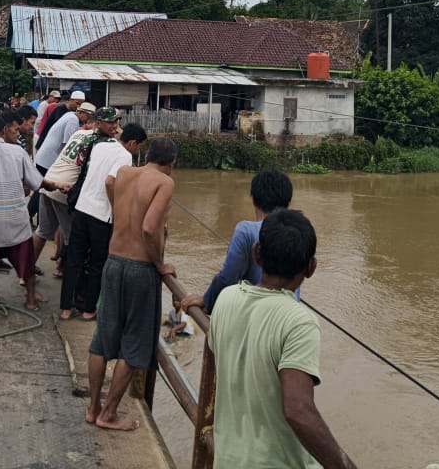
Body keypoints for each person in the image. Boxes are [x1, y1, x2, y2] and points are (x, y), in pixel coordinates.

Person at [207, 209, 358, 469]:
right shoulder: (299, 321)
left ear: (257, 253)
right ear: (311, 267)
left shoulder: (226, 298)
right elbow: (297, 410)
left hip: (227, 460)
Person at [84, 136, 177, 432]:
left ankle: (93, 408)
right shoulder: (164, 182)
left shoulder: (124, 173)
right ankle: (109, 413)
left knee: (103, 339)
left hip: (113, 262)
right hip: (140, 268)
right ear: (172, 163)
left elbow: (109, 185)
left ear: (147, 155)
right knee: (134, 342)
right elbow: (149, 228)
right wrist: (160, 265)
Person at [0, 114, 70, 310]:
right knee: (26, 260)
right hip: (17, 219)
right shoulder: (18, 152)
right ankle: (31, 300)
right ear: (3, 131)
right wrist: (55, 185)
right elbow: (36, 182)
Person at [60, 113, 147, 321]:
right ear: (133, 143)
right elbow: (110, 182)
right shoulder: (125, 157)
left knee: (74, 260)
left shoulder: (100, 146)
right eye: (139, 146)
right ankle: (88, 310)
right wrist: (116, 207)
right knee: (97, 264)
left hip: (82, 208)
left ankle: (66, 309)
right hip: (100, 216)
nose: (138, 151)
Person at [179, 168, 295, 315]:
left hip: (254, 317)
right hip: (288, 316)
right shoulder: (299, 232)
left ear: (253, 200)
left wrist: (207, 301)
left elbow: (228, 278)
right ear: (288, 202)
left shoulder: (246, 231)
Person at [34, 105, 104, 276]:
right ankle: (68, 275)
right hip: (64, 189)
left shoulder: (79, 133)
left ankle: (26, 273)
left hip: (50, 180)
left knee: (42, 231)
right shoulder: (96, 141)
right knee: (72, 237)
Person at [35, 96, 93, 175]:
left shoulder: (70, 114)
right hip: (48, 160)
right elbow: (68, 144)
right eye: (88, 117)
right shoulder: (73, 120)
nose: (87, 121)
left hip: (44, 157)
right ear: (81, 113)